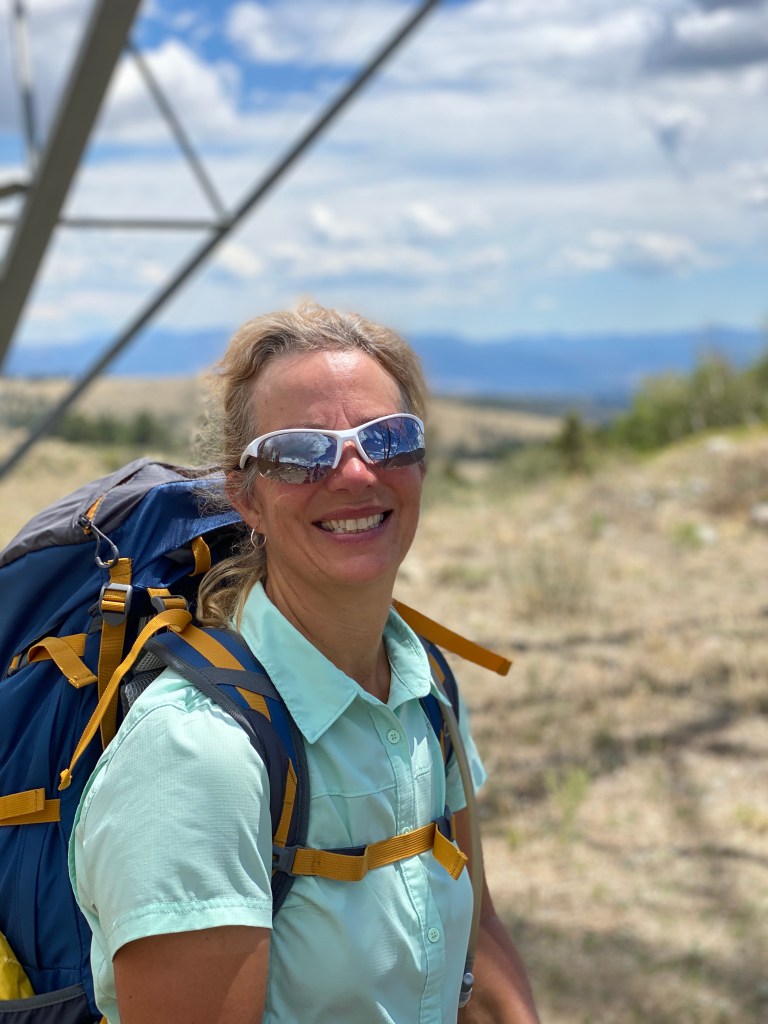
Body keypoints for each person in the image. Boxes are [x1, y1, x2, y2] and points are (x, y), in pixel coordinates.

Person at [69, 304, 540, 1024]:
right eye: (300, 452)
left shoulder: (423, 685)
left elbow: (479, 929)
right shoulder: (198, 753)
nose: (354, 472)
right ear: (245, 497)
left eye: (388, 439)